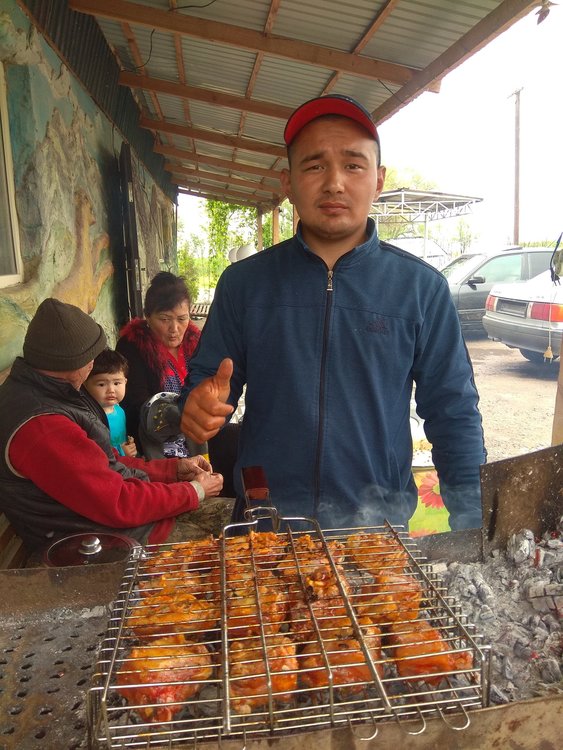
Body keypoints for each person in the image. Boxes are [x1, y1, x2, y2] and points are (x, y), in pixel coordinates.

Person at [179, 94, 486, 532]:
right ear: (287, 181)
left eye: (354, 165)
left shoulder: (421, 289)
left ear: (378, 180)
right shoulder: (244, 284)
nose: (335, 182)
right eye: (315, 165)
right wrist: (196, 411)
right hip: (266, 527)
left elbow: (453, 412)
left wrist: (473, 523)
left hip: (377, 533)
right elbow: (206, 392)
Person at [0, 298, 223, 553]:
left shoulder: (44, 394)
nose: (94, 363)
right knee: (232, 537)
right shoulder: (44, 427)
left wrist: (173, 470)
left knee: (231, 518)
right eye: (91, 358)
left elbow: (101, 464)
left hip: (106, 526)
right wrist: (194, 491)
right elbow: (119, 502)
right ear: (74, 364)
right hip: (103, 543)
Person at [116, 271, 201, 457]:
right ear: (147, 316)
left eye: (182, 318)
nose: (175, 329)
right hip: (153, 441)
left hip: (196, 434)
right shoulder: (132, 347)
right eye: (164, 319)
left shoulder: (196, 343)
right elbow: (136, 405)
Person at [83, 349, 138, 457]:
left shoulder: (119, 410)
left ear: (125, 382)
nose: (111, 390)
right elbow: (95, 452)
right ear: (85, 385)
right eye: (102, 384)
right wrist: (122, 452)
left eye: (117, 383)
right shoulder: (89, 417)